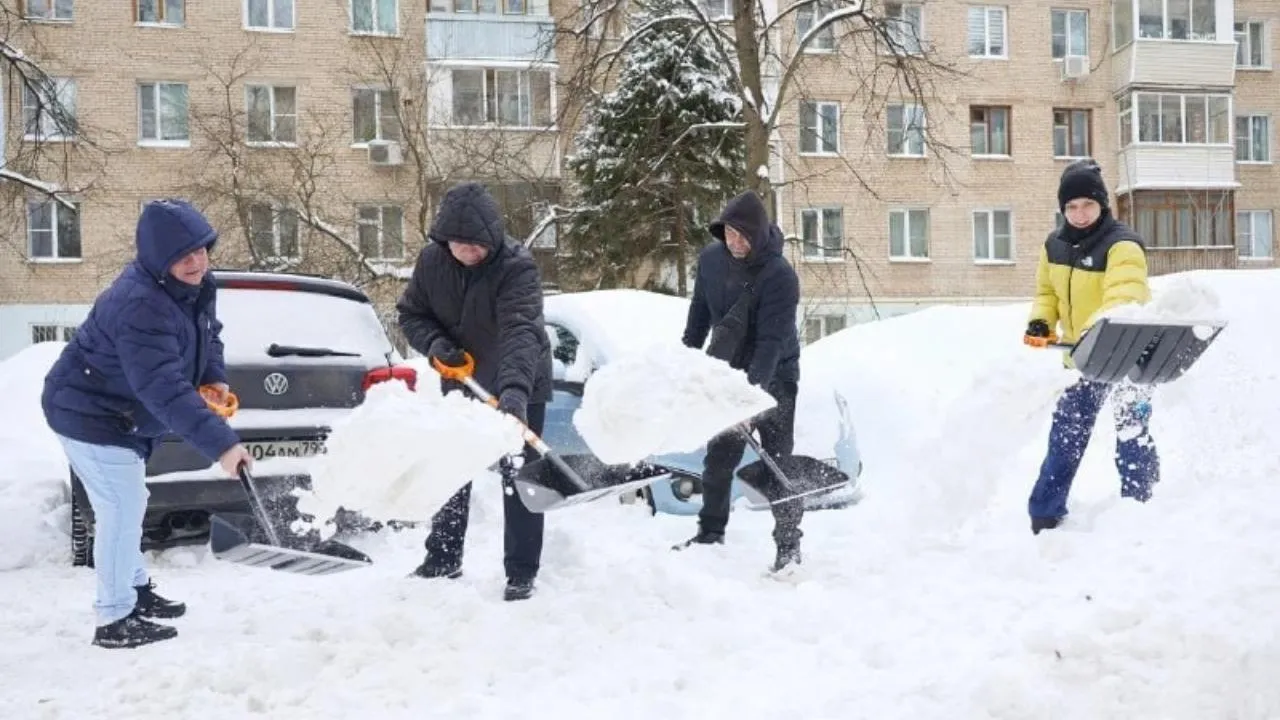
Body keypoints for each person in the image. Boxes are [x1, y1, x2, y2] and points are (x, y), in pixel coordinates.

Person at [41, 199, 253, 649]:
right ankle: (114, 618)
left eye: (201, 249)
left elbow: (207, 334)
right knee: (121, 508)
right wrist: (223, 445)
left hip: (121, 413)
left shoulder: (194, 284)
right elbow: (163, 389)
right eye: (183, 254)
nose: (197, 261)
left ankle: (133, 588)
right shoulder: (139, 304)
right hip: (88, 411)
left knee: (129, 501)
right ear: (159, 259)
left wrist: (213, 377)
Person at [397, 181, 554, 602]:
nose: (466, 252)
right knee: (451, 467)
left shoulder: (516, 267)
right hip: (462, 380)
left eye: (474, 244)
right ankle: (443, 558)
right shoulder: (432, 262)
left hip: (520, 380)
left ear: (491, 237)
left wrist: (515, 394)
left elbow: (522, 332)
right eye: (457, 244)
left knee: (519, 478)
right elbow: (411, 313)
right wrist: (434, 344)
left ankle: (521, 571)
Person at [1024, 159, 1160, 534]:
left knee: (1132, 431)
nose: (1079, 214)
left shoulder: (1122, 245)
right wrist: (1041, 320)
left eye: (1087, 205)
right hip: (1085, 359)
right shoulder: (1054, 244)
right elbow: (1046, 292)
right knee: (1066, 433)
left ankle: (1141, 510)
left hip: (1129, 356)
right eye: (1071, 206)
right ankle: (1045, 513)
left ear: (1103, 204)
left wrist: (1089, 333)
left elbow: (1124, 297)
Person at [677, 189, 804, 573]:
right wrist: (685, 360)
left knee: (778, 463)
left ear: (758, 234)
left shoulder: (780, 277)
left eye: (742, 236)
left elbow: (770, 343)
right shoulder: (712, 260)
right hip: (729, 371)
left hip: (776, 376)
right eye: (729, 233)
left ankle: (788, 546)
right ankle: (710, 534)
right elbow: (699, 313)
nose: (734, 242)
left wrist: (750, 402)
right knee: (718, 460)